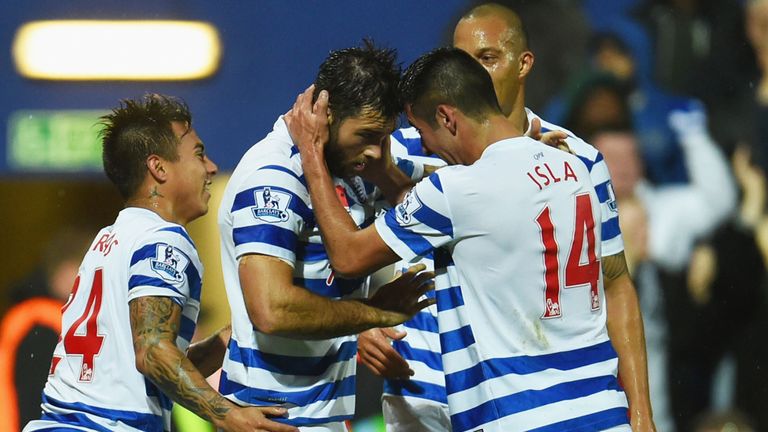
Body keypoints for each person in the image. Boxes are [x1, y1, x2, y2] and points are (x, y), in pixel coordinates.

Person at [289, 46, 643, 431]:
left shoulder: (455, 188)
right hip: (603, 412)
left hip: (520, 416)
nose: (428, 149)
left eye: (425, 134)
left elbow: (347, 256)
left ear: (447, 117)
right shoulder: (574, 165)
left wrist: (311, 153)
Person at [23, 94, 296, 432]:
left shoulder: (110, 238)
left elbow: (142, 369)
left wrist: (231, 338)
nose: (211, 167)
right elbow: (153, 353)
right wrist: (229, 415)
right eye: (198, 154)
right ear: (159, 167)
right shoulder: (163, 238)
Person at [217, 41, 435, 431]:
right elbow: (271, 310)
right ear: (325, 115)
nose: (373, 150)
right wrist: (374, 313)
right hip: (275, 413)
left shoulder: (351, 165)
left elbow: (448, 184)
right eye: (366, 135)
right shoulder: (274, 179)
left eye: (383, 137)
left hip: (322, 412)